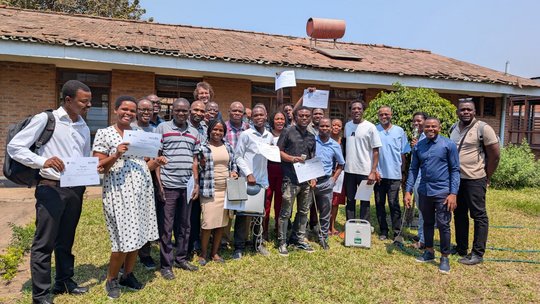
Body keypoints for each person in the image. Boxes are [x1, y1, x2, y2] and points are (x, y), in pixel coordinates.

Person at [7, 80, 93, 304]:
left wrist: (89, 172)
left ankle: (64, 281)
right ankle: (41, 295)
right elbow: (15, 147)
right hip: (51, 188)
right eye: (84, 101)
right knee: (44, 242)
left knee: (66, 239)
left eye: (89, 101)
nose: (89, 105)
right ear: (68, 100)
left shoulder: (83, 125)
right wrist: (43, 161)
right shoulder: (46, 119)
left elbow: (83, 158)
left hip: (74, 189)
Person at [93, 96, 166, 299]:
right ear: (116, 110)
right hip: (119, 193)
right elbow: (98, 167)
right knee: (121, 240)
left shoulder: (138, 134)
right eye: (124, 109)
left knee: (138, 235)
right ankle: (111, 279)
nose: (128, 113)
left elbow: (143, 164)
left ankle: (128, 274)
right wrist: (116, 154)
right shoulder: (105, 133)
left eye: (132, 111)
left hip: (141, 192)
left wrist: (157, 162)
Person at [404, 117, 460, 274]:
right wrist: (408, 190)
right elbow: (413, 169)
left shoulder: (448, 145)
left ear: (439, 128)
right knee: (427, 222)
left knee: (443, 225)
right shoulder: (419, 147)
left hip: (442, 191)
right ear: (424, 128)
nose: (430, 129)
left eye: (433, 126)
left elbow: (455, 170)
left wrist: (453, 193)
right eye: (427, 126)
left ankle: (445, 257)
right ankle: (429, 251)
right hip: (424, 190)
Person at [154, 98, 201, 280]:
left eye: (185, 111)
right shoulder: (163, 129)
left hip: (187, 186)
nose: (182, 113)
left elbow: (194, 160)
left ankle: (181, 258)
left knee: (185, 225)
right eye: (178, 110)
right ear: (172, 111)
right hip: (168, 185)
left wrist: (195, 183)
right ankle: (166, 264)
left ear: (189, 112)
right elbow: (157, 157)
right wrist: (159, 184)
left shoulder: (194, 132)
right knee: (166, 227)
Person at [450, 99, 500, 265]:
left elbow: (495, 155)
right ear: (458, 112)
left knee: (479, 215)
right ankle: (461, 248)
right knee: (459, 213)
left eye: (469, 110)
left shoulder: (483, 129)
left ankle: (477, 253)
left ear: (474, 112)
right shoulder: (454, 128)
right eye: (462, 109)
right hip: (458, 180)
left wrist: (487, 176)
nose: (465, 112)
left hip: (475, 179)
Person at [233, 105, 273, 259]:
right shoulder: (246, 134)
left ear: (265, 115)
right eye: (255, 115)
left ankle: (257, 244)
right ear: (251, 118)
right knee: (243, 215)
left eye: (261, 115)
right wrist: (248, 173)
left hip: (262, 182)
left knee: (259, 215)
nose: (258, 117)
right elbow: (238, 156)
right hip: (247, 181)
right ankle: (239, 247)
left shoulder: (269, 136)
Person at [277, 106, 317, 256]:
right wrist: (292, 159)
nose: (305, 118)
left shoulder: (312, 136)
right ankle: (282, 242)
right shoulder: (287, 131)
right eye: (301, 115)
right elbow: (279, 151)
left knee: (303, 211)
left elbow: (312, 158)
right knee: (286, 212)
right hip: (290, 178)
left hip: (306, 180)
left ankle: (298, 239)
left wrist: (313, 176)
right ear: (295, 116)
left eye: (307, 116)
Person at [198, 119, 238, 265]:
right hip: (209, 190)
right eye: (215, 129)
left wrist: (234, 172)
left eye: (221, 130)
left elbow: (233, 164)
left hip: (226, 190)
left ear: (224, 132)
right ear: (209, 130)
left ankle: (215, 253)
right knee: (208, 223)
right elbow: (197, 168)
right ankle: (203, 254)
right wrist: (201, 165)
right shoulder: (202, 147)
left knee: (221, 223)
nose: (217, 132)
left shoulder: (228, 146)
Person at [374, 106, 411, 241]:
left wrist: (402, 172)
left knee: (394, 203)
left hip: (395, 174)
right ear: (378, 116)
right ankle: (383, 230)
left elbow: (403, 154)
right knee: (379, 203)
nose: (384, 116)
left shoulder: (399, 131)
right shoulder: (374, 130)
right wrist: (374, 171)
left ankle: (397, 232)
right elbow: (371, 153)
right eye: (381, 114)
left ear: (391, 114)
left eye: (386, 114)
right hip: (379, 174)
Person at [343, 100, 381, 223]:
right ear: (350, 111)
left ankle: (364, 227)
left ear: (363, 110)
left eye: (359, 108)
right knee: (350, 200)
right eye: (354, 108)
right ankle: (351, 226)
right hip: (349, 170)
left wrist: (373, 171)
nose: (356, 111)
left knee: (364, 201)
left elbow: (376, 151)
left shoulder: (370, 127)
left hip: (365, 171)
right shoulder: (347, 126)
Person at [132, 98, 159, 270]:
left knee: (147, 216)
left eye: (149, 109)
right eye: (142, 109)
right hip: (131, 179)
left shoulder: (155, 131)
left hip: (149, 179)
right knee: (131, 217)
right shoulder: (130, 129)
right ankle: (128, 254)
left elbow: (155, 155)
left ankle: (145, 254)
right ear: (137, 111)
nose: (146, 112)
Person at [312, 118, 345, 249]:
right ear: (318, 127)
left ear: (331, 128)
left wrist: (333, 179)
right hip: (311, 182)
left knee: (325, 213)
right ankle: (300, 236)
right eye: (322, 126)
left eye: (327, 126)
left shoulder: (335, 145)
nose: (324, 128)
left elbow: (341, 164)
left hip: (326, 182)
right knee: (303, 211)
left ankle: (323, 237)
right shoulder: (312, 141)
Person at [187, 100, 207, 257]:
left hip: (201, 174)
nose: (198, 113)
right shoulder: (184, 127)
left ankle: (194, 242)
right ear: (189, 110)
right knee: (184, 213)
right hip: (184, 175)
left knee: (196, 211)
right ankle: (184, 245)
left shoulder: (205, 128)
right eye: (196, 110)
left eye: (201, 111)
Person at [263, 111, 286, 240]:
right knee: (266, 200)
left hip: (283, 171)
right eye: (277, 118)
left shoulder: (288, 134)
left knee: (280, 202)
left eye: (282, 118)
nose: (280, 121)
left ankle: (278, 229)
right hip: (268, 170)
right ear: (273, 120)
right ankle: (264, 229)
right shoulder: (267, 134)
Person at [410, 112, 428, 249]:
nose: (416, 124)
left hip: (424, 178)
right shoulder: (417, 137)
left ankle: (423, 239)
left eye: (419, 121)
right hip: (416, 176)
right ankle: (421, 234)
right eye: (414, 121)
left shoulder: (427, 137)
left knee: (424, 209)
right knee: (420, 208)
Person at [330, 118, 346, 235]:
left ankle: (332, 226)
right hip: (327, 173)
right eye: (333, 125)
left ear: (342, 128)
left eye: (338, 125)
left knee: (335, 202)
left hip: (339, 174)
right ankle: (324, 225)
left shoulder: (344, 142)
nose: (336, 127)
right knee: (326, 201)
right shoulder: (325, 139)